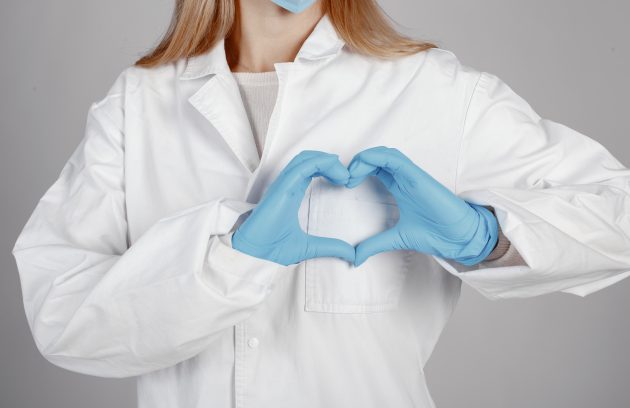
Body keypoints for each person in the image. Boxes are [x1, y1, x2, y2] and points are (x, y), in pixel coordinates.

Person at [11, 0, 630, 407]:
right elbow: (61, 316)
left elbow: (618, 213)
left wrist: (482, 236)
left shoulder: (432, 90)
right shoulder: (139, 103)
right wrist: (229, 259)